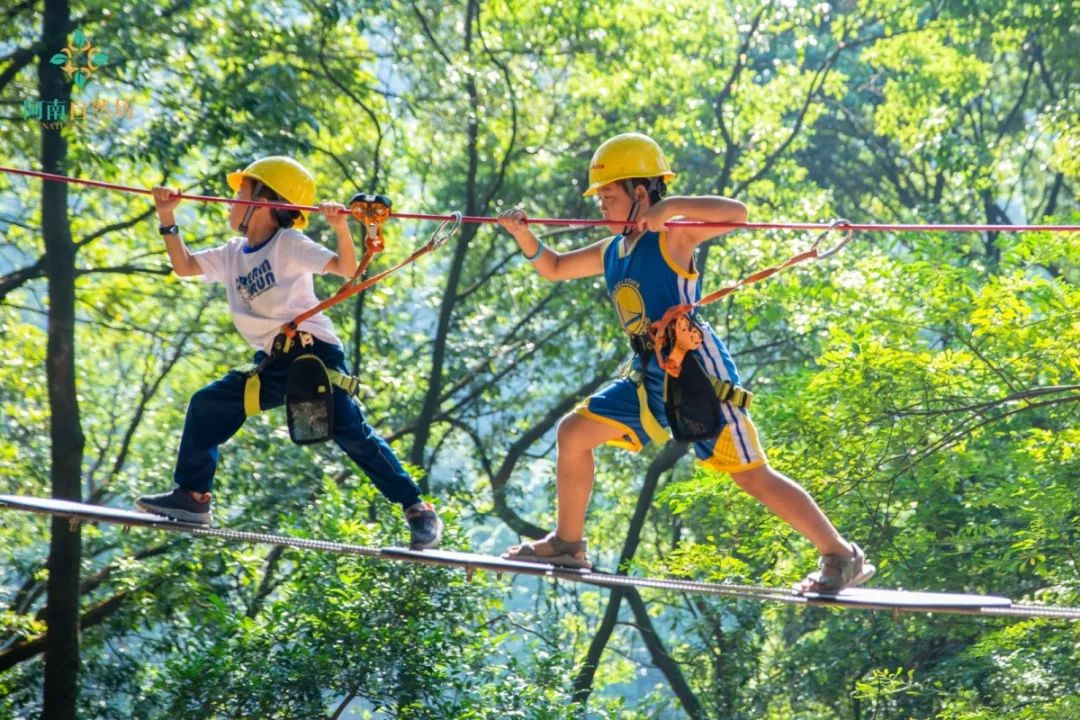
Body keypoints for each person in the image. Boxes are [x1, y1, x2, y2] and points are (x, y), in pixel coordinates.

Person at [496, 133, 873, 592]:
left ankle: (840, 553)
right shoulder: (612, 251)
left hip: (695, 372)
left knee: (751, 476)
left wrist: (668, 208)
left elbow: (737, 214)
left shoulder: (674, 236)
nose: (601, 207)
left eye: (608, 197)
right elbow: (554, 266)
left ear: (640, 193)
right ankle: (568, 544)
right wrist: (522, 234)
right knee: (574, 433)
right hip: (647, 377)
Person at [136, 156, 443, 550]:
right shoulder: (233, 253)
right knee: (209, 403)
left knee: (350, 432)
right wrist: (167, 217)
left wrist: (339, 227)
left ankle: (418, 509)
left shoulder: (289, 244)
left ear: (265, 200)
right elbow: (183, 265)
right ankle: (193, 497)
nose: (232, 201)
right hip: (276, 362)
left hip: (313, 358)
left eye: (240, 193)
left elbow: (346, 267)